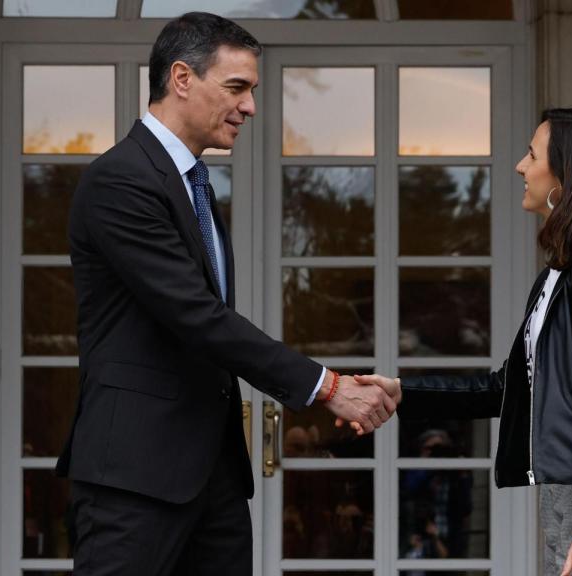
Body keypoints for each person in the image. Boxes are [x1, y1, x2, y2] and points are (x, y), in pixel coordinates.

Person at [55, 12, 399, 575]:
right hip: (135, 476)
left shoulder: (193, 182)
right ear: (182, 78)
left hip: (211, 476)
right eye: (236, 88)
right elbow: (196, 316)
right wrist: (326, 386)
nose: (250, 107)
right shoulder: (121, 180)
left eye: (252, 91)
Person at [358, 109, 572, 576]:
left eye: (531, 154)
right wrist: (405, 393)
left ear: (568, 175)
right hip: (571, 489)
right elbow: (510, 387)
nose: (521, 167)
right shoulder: (558, 274)